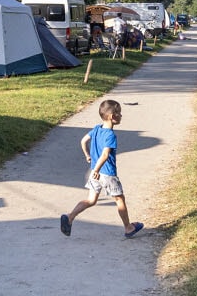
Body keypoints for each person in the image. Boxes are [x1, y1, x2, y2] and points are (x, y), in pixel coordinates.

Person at [60, 98, 143, 238]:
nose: (121, 116)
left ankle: (70, 217)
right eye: (120, 113)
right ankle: (128, 228)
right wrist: (98, 170)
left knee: (91, 200)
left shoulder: (97, 129)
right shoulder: (110, 135)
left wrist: (88, 156)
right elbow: (105, 155)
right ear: (112, 116)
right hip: (107, 173)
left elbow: (83, 141)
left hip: (94, 172)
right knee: (119, 199)